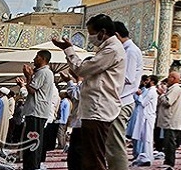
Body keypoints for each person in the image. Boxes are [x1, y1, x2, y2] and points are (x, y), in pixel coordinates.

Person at [53, 13, 127, 170]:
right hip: (94, 110)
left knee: (93, 158)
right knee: (88, 156)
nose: (91, 37)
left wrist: (69, 50)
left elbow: (82, 69)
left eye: (92, 33)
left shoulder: (112, 50)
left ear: (103, 32)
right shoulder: (106, 49)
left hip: (98, 110)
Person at [106, 21, 143, 170]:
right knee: (112, 143)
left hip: (123, 101)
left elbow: (127, 77)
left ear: (116, 35)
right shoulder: (126, 50)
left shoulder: (130, 51)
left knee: (115, 144)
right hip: (118, 101)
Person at [16, 49, 56, 170]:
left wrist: (28, 77)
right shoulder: (42, 73)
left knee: (33, 142)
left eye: (37, 57)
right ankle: (31, 165)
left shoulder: (43, 73)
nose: (34, 59)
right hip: (36, 111)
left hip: (36, 112)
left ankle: (32, 166)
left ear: (43, 59)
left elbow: (32, 90)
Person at [157, 71, 181, 170]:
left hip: (171, 120)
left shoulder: (175, 89)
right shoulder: (172, 89)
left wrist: (161, 94)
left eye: (169, 77)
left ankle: (169, 162)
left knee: (170, 142)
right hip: (169, 120)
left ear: (174, 79)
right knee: (168, 142)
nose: (167, 79)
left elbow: (168, 102)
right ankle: (167, 161)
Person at [131, 75, 158, 167]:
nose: (147, 82)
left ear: (153, 82)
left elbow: (143, 102)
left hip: (148, 117)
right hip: (146, 116)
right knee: (144, 137)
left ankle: (147, 156)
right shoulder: (151, 91)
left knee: (147, 138)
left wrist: (139, 95)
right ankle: (145, 156)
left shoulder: (151, 91)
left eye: (149, 80)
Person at [61, 71, 82, 170]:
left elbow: (76, 94)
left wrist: (70, 81)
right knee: (74, 157)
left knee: (78, 155)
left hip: (83, 123)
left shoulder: (89, 84)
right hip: (78, 123)